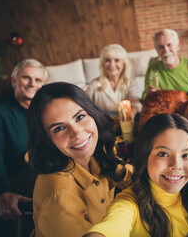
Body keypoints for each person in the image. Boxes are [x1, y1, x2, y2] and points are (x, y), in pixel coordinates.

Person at [27, 82, 133, 237]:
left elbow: (127, 175)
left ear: (92, 114)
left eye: (80, 117)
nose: (77, 133)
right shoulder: (60, 194)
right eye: (59, 128)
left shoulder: (96, 152)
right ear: (47, 140)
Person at [0, 59, 47, 236]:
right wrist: (0, 192)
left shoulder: (43, 107)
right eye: (27, 78)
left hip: (47, 165)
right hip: (21, 175)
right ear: (14, 81)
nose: (33, 84)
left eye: (38, 80)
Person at [141, 29, 188, 100]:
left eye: (169, 45)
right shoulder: (152, 70)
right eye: (161, 47)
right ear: (156, 49)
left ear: (178, 46)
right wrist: (148, 94)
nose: (166, 50)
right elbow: (144, 99)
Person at [85, 44, 142, 119]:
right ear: (103, 64)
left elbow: (136, 103)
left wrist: (131, 115)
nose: (112, 64)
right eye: (108, 60)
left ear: (124, 64)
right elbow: (84, 104)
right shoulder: (94, 84)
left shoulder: (131, 82)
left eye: (116, 60)